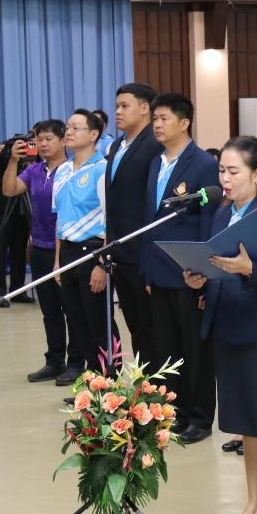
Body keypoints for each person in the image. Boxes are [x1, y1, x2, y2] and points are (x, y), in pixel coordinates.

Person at [183, 136, 257, 514]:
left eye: (233, 171)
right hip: (227, 328)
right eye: (222, 171)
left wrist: (249, 269)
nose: (225, 179)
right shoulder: (222, 213)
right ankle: (252, 501)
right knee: (246, 423)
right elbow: (216, 265)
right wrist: (199, 279)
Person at [141, 93, 220, 444]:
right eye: (155, 119)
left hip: (189, 274)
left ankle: (200, 418)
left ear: (184, 123)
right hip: (159, 272)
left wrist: (204, 273)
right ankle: (177, 413)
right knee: (168, 349)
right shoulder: (156, 163)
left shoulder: (202, 163)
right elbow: (150, 221)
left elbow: (208, 220)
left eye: (164, 118)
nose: (157, 125)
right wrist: (147, 270)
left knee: (195, 350)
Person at [3, 120, 85, 385]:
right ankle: (54, 361)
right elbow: (9, 189)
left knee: (71, 309)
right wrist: (13, 161)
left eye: (49, 139)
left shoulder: (72, 170)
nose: (43, 144)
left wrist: (60, 258)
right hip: (39, 248)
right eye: (39, 139)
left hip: (67, 249)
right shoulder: (35, 170)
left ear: (63, 141)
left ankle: (76, 363)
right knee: (49, 310)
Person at [106, 83, 164, 373]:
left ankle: (159, 387)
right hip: (120, 251)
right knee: (135, 326)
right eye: (117, 106)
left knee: (151, 326)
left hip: (142, 252)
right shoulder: (116, 146)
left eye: (124, 106)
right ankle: (145, 384)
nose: (118, 111)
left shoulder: (154, 145)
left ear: (144, 108)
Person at [54, 111, 117, 375]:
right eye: (67, 127)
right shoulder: (62, 170)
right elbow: (60, 219)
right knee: (77, 321)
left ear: (93, 135)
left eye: (75, 128)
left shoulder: (102, 169)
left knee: (99, 322)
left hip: (93, 252)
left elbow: (112, 220)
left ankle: (111, 380)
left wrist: (102, 263)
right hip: (67, 253)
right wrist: (57, 262)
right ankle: (92, 382)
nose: (68, 132)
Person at [0, 136, 32, 306]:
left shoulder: (32, 151)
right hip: (0, 205)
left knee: (19, 249)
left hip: (22, 206)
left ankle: (18, 291)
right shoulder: (5, 150)